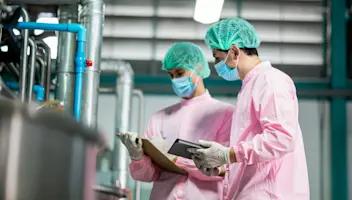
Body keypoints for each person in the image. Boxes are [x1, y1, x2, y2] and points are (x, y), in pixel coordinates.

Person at [189, 18, 310, 200]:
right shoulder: (250, 87)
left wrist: (227, 154)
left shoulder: (270, 80)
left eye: (217, 58)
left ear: (235, 51)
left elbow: (281, 139)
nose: (216, 65)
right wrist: (221, 168)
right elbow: (253, 156)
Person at [118, 42, 235, 200]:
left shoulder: (225, 114)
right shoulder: (158, 118)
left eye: (179, 73)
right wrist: (137, 157)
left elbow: (226, 170)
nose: (175, 80)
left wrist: (174, 159)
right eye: (171, 75)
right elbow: (148, 176)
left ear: (199, 68)